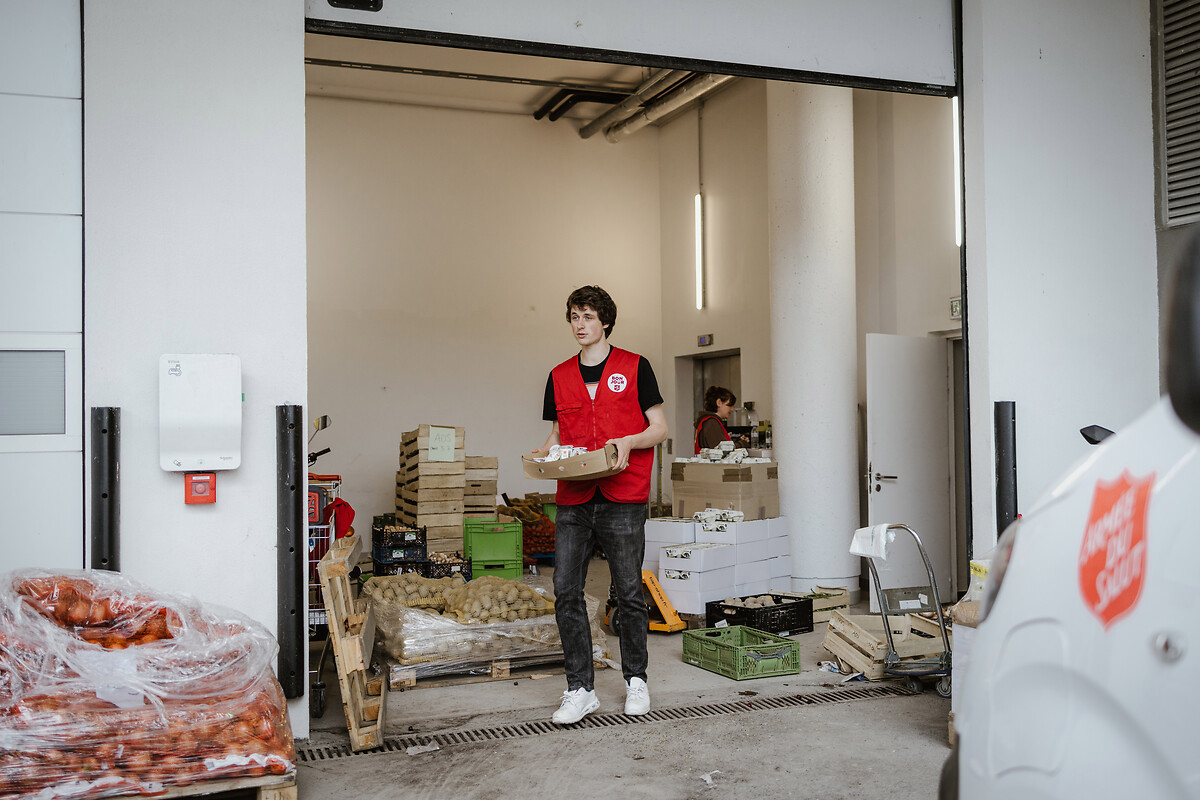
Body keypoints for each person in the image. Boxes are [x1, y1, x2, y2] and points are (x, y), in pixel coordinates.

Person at [533, 285, 668, 725]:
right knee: (566, 590)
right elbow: (557, 435)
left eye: (587, 316)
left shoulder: (635, 366)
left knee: (628, 591)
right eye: (574, 316)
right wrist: (543, 454)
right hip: (574, 497)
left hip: (623, 495)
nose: (579, 325)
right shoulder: (558, 375)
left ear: (605, 321)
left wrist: (629, 440)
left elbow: (659, 428)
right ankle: (580, 689)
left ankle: (636, 680)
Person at [695, 385, 746, 452]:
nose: (732, 409)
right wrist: (741, 444)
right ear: (719, 402)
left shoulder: (708, 421)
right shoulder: (712, 423)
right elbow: (722, 451)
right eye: (730, 405)